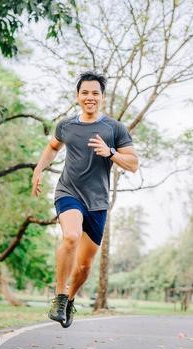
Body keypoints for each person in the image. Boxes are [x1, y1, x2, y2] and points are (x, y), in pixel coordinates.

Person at [31, 71, 139, 328]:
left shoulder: (115, 129)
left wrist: (110, 152)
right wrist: (38, 169)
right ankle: (59, 297)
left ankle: (70, 299)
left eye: (95, 93)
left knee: (84, 267)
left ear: (102, 97)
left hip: (97, 202)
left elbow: (133, 164)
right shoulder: (66, 126)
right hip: (68, 192)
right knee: (70, 237)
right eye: (85, 93)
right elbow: (53, 147)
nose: (90, 97)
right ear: (78, 96)